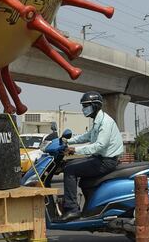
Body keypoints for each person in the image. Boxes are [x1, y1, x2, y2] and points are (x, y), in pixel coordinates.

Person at [59, 91, 124, 221]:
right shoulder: (98, 121)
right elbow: (87, 136)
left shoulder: (105, 122)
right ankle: (91, 209)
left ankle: (72, 209)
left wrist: (74, 150)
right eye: (83, 106)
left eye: (86, 106)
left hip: (106, 161)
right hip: (100, 158)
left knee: (69, 169)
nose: (84, 109)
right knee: (73, 168)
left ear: (95, 105)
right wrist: (66, 141)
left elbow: (99, 145)